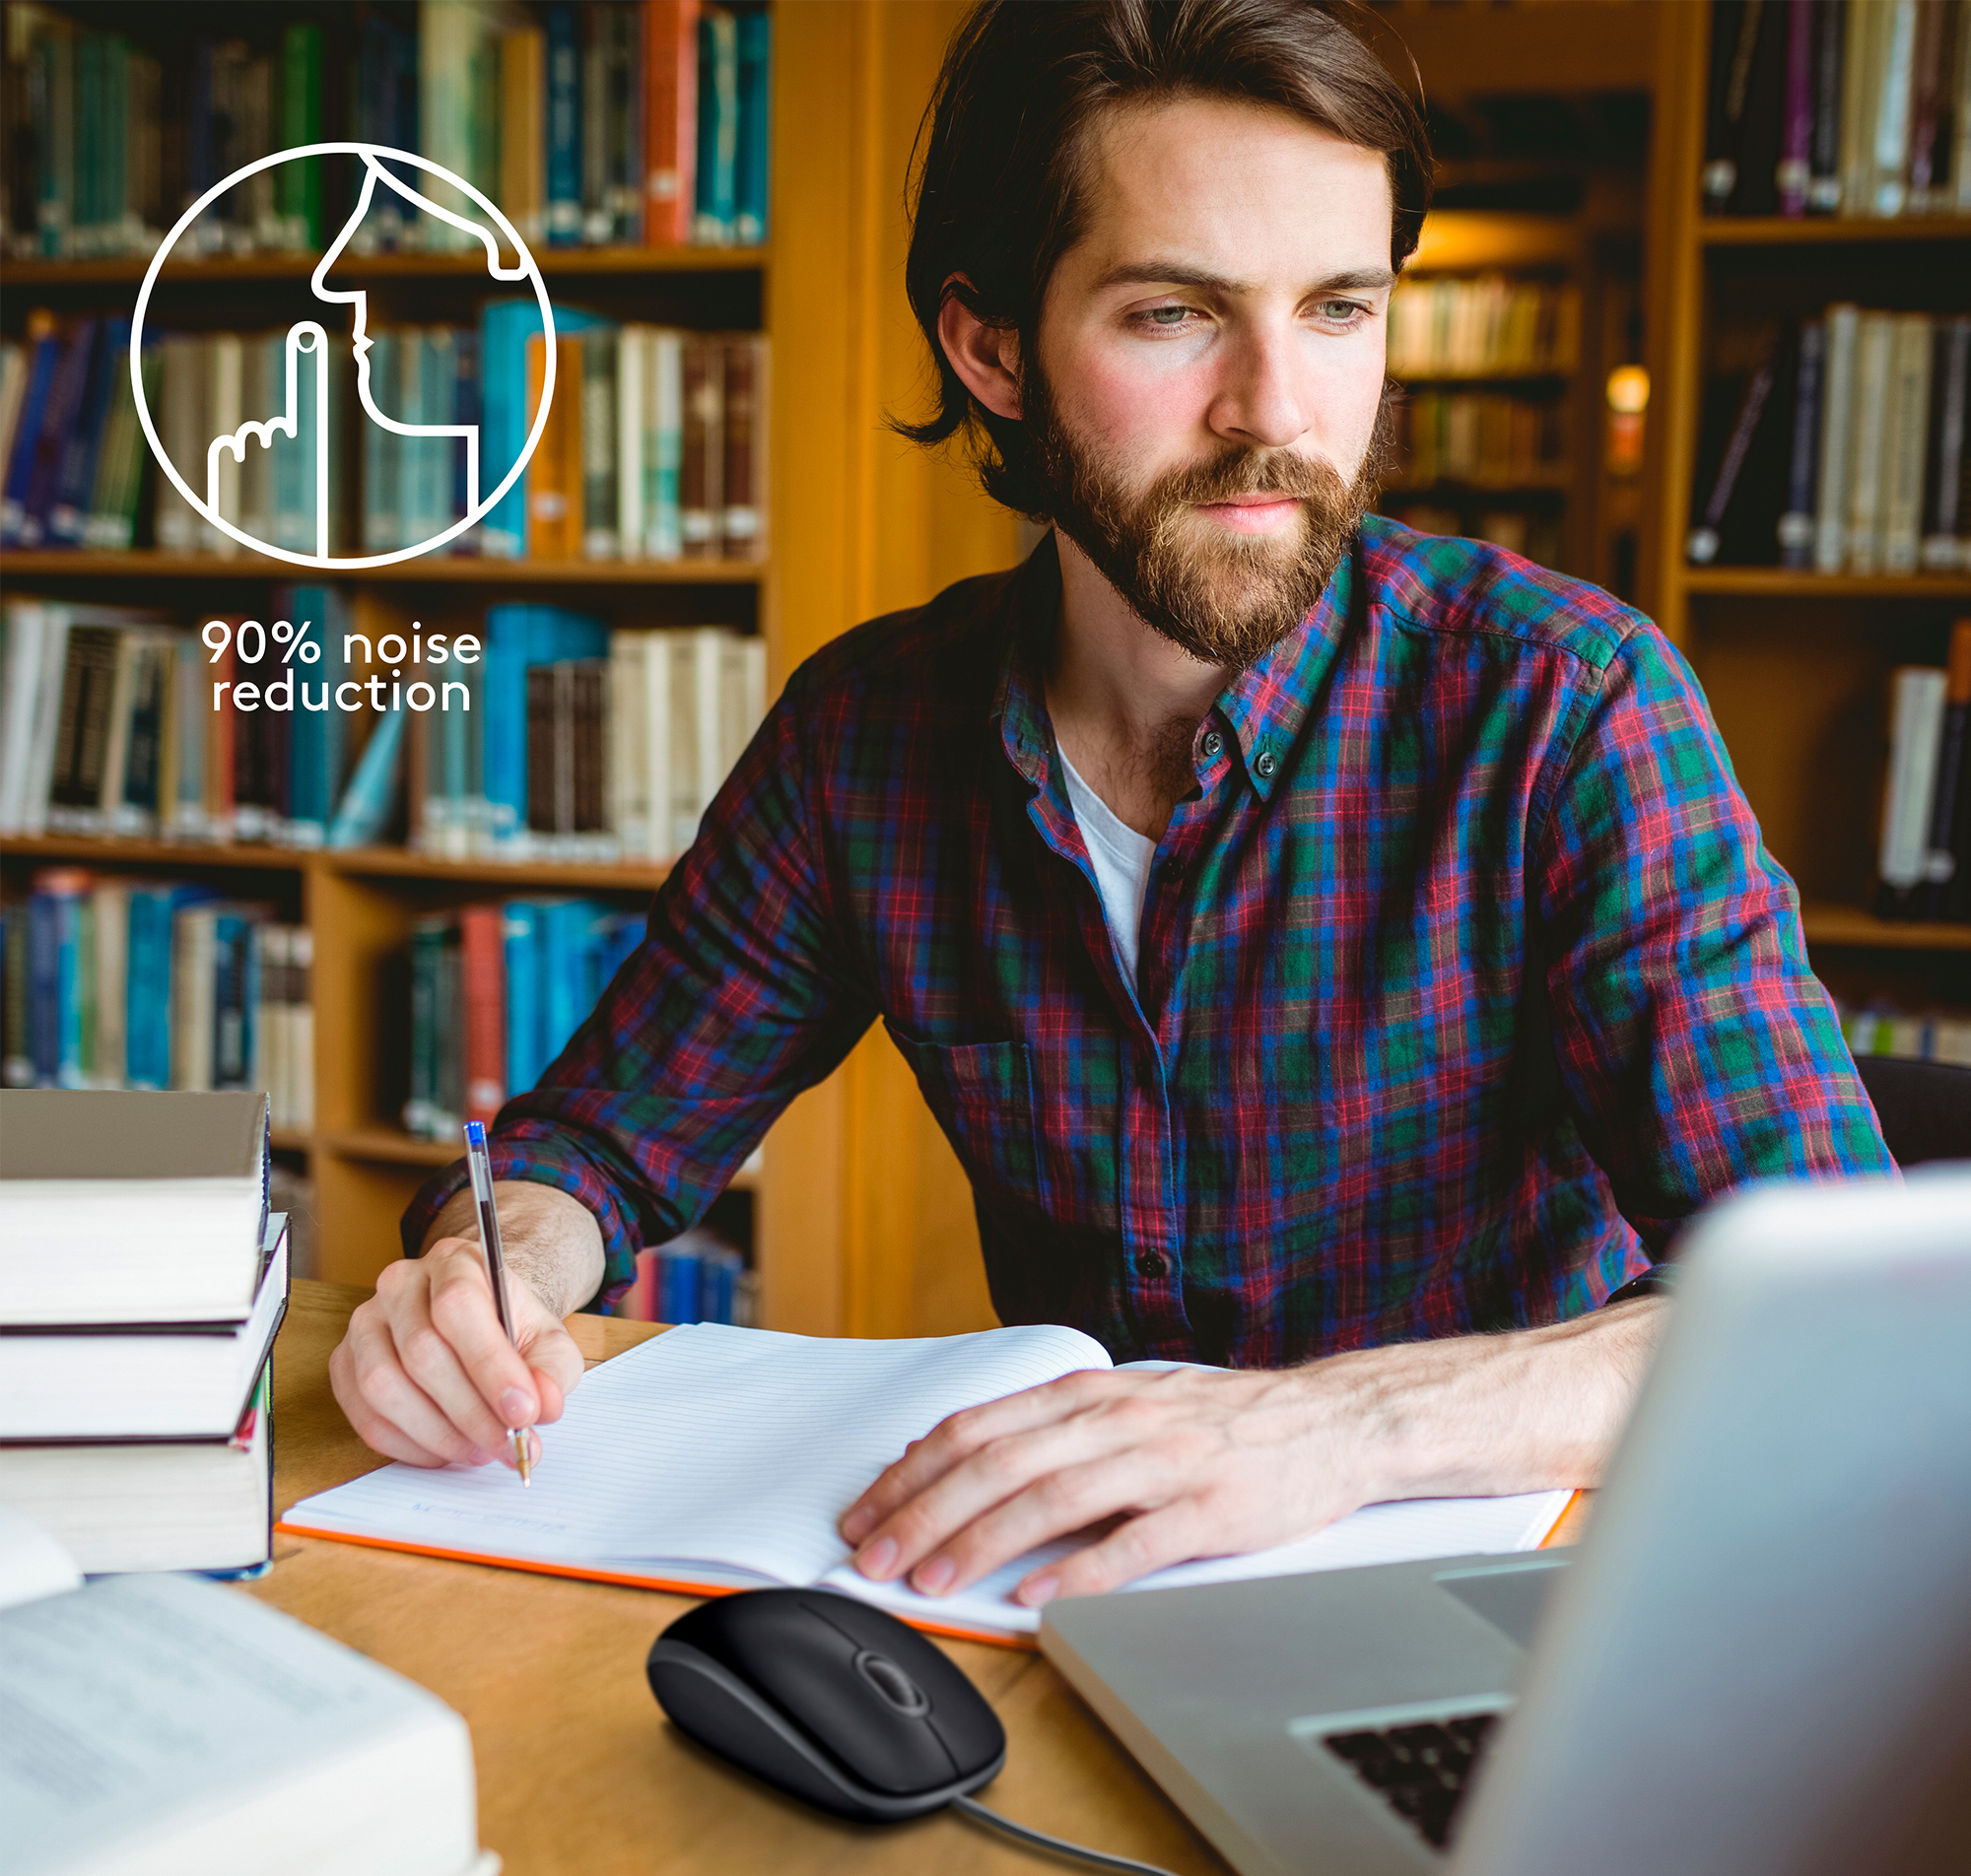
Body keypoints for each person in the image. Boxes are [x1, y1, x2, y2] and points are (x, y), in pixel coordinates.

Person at [330, 0, 1891, 1611]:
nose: (1278, 411)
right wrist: (487, 1275)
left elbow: (1837, 1323)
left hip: (1498, 1610)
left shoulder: (1570, 709)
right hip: (1065, 1615)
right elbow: (588, 1143)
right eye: (1174, 316)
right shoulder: (866, 738)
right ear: (992, 347)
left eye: (1340, 309)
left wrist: (1325, 1429)